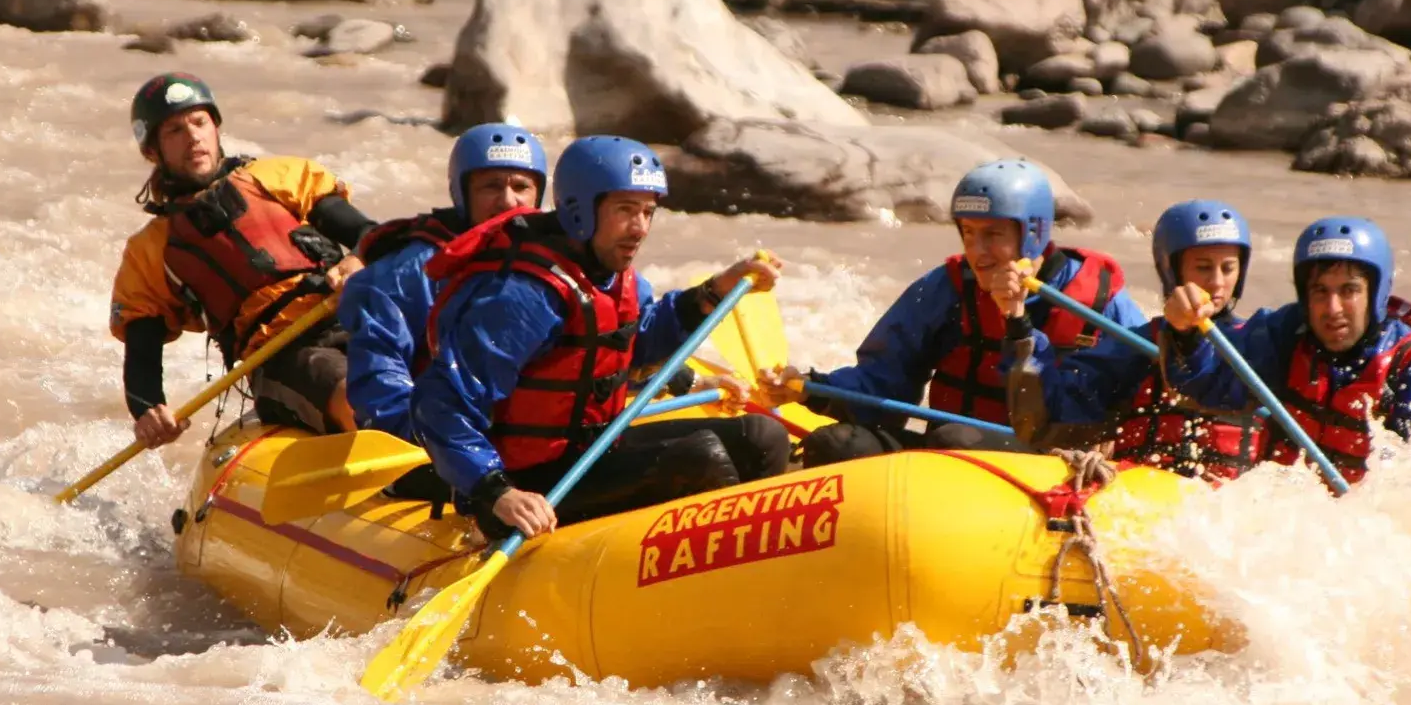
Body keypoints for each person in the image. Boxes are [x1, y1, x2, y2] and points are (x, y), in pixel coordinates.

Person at [410, 135, 791, 539]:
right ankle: (724, 564)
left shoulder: (614, 276)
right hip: (520, 488)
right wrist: (496, 490)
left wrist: (715, 289)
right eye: (626, 210)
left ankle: (756, 556)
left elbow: (635, 346)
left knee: (762, 437)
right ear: (580, 211)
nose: (640, 228)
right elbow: (440, 403)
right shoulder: (521, 297)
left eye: (648, 212)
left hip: (594, 454)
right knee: (698, 458)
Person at [760, 158, 1149, 468]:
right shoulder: (946, 289)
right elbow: (884, 384)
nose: (977, 251)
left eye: (993, 235)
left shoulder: (1097, 298)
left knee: (954, 440)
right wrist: (812, 387)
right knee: (836, 445)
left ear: (1032, 233)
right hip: (955, 462)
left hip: (1055, 461)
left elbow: (1143, 393)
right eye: (968, 233)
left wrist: (1017, 320)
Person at [1160, 215, 1411, 513]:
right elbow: (1208, 386)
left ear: (1375, 294)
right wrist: (1184, 331)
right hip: (1283, 517)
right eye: (1320, 291)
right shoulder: (1287, 332)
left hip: (1366, 530)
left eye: (1348, 290)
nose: (1332, 308)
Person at [110, 72, 375, 445]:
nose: (193, 137)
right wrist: (147, 411)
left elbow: (369, 235)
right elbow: (142, 353)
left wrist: (359, 258)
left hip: (354, 315)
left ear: (215, 128)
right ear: (152, 151)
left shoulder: (280, 177)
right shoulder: (151, 251)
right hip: (282, 356)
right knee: (362, 397)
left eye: (199, 122)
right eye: (174, 131)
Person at [1009, 200, 1268, 480]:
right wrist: (1018, 322)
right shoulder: (1135, 346)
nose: (1217, 282)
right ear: (1172, 271)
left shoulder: (1260, 344)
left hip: (1233, 498)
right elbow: (1042, 419)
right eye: (1203, 267)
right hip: (1144, 491)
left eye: (1228, 268)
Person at [341, 122, 549, 446]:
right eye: (491, 186)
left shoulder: (565, 264)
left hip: (536, 436)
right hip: (447, 440)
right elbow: (381, 382)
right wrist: (444, 447)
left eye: (521, 187)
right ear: (462, 194)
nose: (508, 202)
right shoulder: (409, 273)